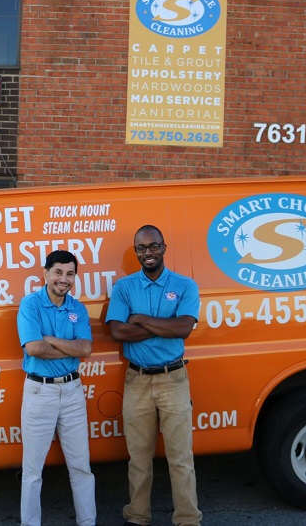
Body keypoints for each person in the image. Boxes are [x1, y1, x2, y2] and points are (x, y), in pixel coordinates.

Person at [106, 225, 202, 526]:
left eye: (154, 246)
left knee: (181, 459)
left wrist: (140, 319)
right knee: (138, 459)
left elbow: (183, 328)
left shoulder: (185, 285)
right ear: (136, 252)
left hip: (173, 378)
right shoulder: (124, 288)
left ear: (164, 247)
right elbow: (118, 332)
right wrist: (164, 325)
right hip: (137, 380)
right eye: (141, 248)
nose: (148, 252)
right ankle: (137, 516)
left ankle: (188, 519)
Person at [16, 250, 97, 526]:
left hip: (72, 391)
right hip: (40, 392)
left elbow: (85, 349)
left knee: (81, 467)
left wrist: (50, 338)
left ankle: (88, 522)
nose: (64, 279)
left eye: (70, 273)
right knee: (32, 471)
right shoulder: (31, 304)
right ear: (46, 273)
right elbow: (34, 348)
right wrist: (67, 348)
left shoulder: (77, 309)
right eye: (58, 272)